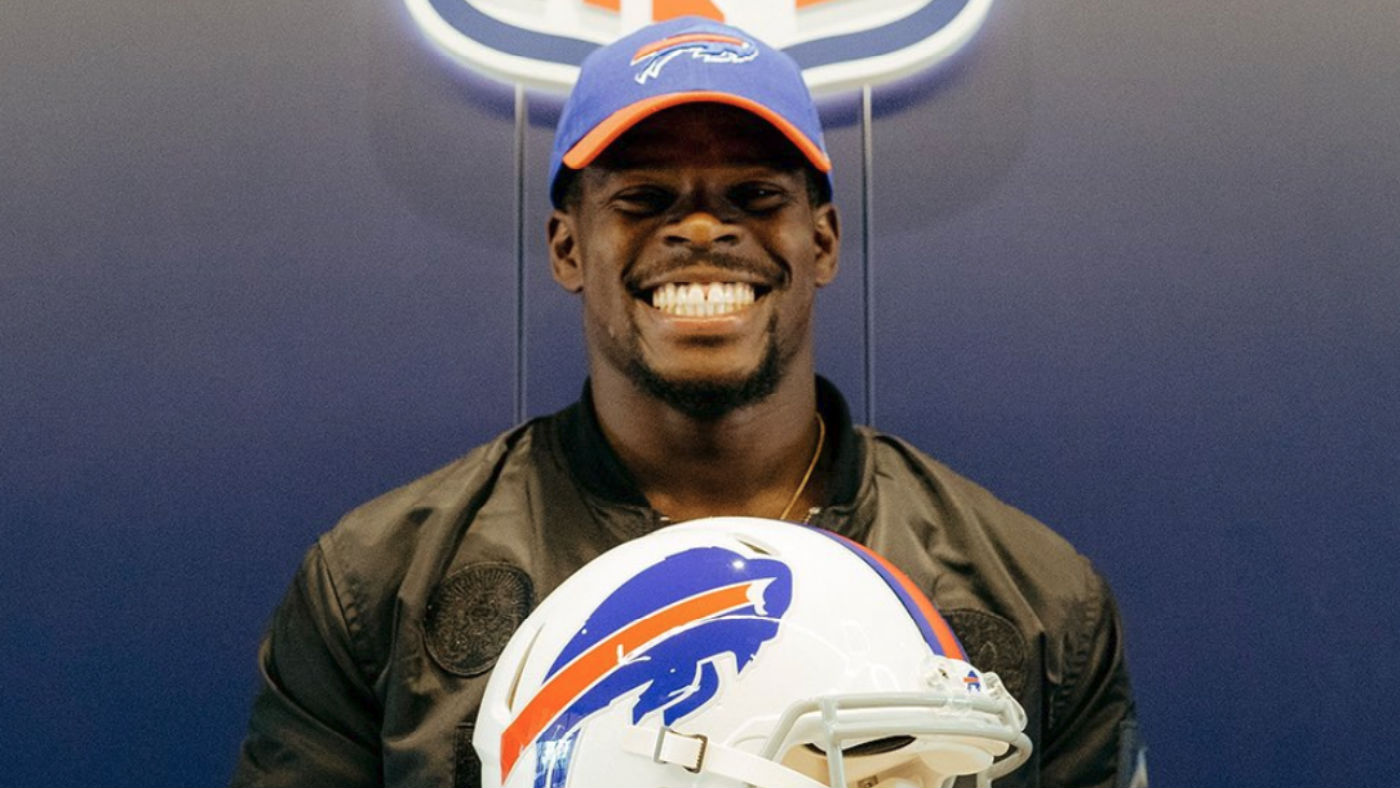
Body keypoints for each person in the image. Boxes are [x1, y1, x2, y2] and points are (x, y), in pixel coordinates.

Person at [232, 16, 1144, 788]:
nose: (703, 228)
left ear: (821, 241)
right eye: (644, 197)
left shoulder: (1035, 597)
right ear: (567, 246)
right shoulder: (378, 584)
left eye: (753, 194)